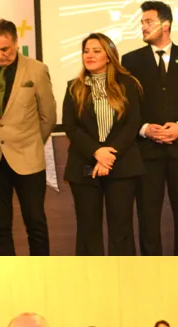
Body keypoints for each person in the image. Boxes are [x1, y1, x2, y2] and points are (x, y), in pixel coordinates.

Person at [122, 1, 178, 256]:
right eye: (142, 22)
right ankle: (152, 269)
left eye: (148, 22)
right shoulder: (131, 60)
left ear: (166, 24)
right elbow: (125, 104)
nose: (143, 27)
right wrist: (144, 128)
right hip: (147, 152)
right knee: (148, 217)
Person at [0, 19, 56, 256]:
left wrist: (32, 142)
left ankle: (40, 270)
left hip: (28, 157)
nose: (0, 55)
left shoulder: (37, 69)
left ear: (16, 42)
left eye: (5, 49)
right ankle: (7, 271)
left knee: (35, 222)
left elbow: (48, 116)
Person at [62, 33, 144, 255]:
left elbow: (132, 124)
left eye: (96, 51)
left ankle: (123, 274)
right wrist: (97, 152)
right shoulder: (74, 87)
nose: (89, 55)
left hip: (122, 166)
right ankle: (91, 275)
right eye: (86, 51)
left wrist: (108, 156)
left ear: (109, 56)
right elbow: (71, 126)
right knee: (88, 229)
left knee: (121, 229)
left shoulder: (128, 84)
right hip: (84, 166)